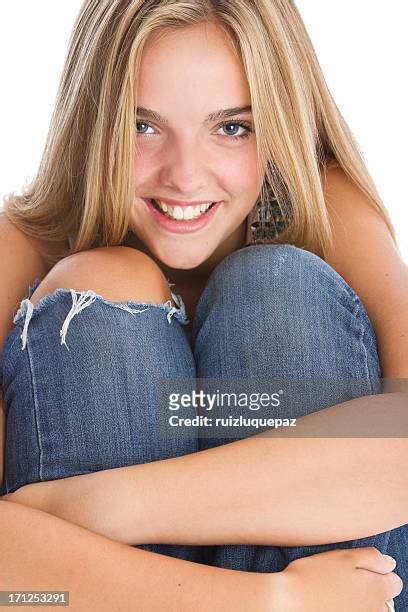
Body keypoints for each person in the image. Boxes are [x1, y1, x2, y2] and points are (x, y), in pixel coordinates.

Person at [0, 0, 407, 609]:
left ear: (279, 126)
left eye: (231, 127)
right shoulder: (23, 245)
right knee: (102, 280)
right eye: (143, 125)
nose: (185, 177)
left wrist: (81, 507)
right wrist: (273, 602)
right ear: (94, 123)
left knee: (277, 285)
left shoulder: (321, 208)